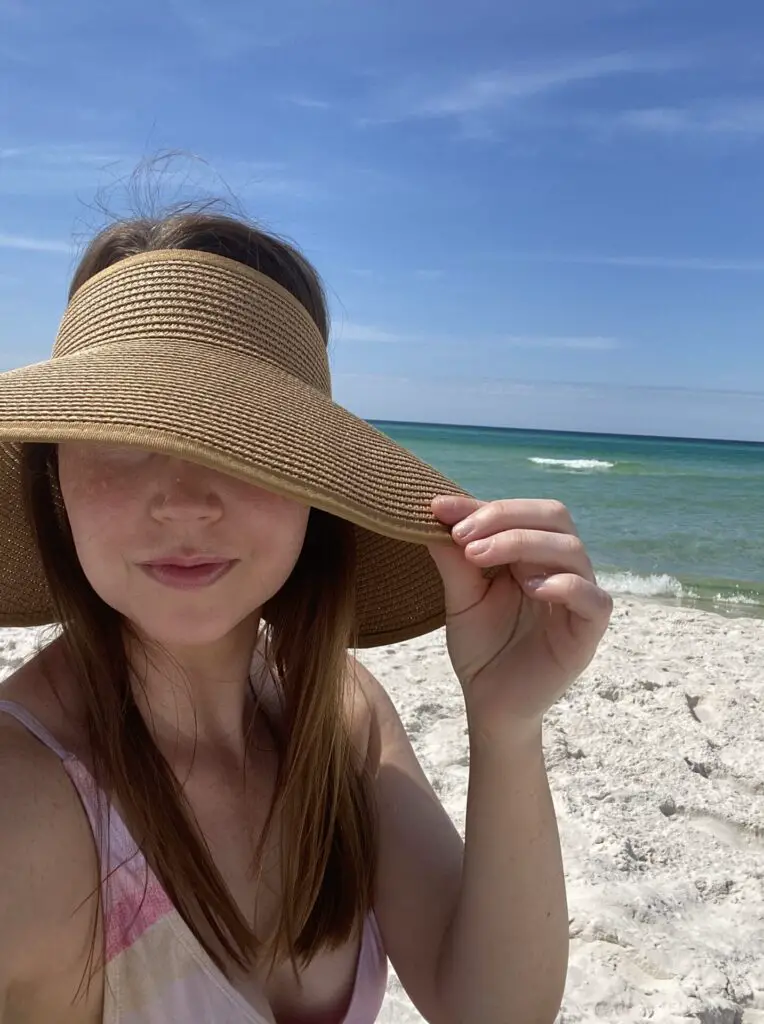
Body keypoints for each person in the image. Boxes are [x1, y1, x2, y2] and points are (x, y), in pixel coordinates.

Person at [0, 210, 612, 1024]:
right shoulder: (26, 800)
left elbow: (492, 1007)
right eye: (125, 436)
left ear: (314, 491)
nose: (185, 501)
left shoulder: (343, 719)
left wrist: (506, 728)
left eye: (242, 442)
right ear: (55, 480)